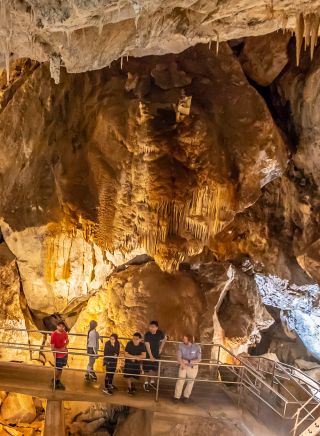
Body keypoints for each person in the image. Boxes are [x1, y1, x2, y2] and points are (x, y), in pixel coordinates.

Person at [173, 334, 201, 404]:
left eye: (185, 339)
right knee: (180, 380)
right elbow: (179, 357)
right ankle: (176, 396)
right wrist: (183, 365)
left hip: (193, 367)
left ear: (190, 340)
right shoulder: (181, 345)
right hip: (183, 365)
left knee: (190, 381)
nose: (183, 340)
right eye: (184, 338)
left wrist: (189, 362)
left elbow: (199, 359)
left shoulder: (197, 347)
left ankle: (186, 396)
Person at [143, 320, 167, 392]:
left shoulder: (160, 333)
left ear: (157, 328)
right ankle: (146, 383)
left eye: (153, 327)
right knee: (146, 369)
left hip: (156, 354)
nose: (151, 328)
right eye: (150, 327)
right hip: (148, 354)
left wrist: (161, 348)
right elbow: (147, 345)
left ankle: (152, 382)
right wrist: (150, 356)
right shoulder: (147, 334)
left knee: (154, 368)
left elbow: (165, 338)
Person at [50, 321, 69, 390]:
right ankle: (54, 380)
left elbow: (67, 340)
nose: (61, 328)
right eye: (60, 326)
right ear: (57, 326)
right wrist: (61, 349)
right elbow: (52, 348)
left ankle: (58, 380)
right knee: (57, 369)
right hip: (58, 355)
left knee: (61, 368)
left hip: (64, 354)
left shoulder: (64, 332)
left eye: (62, 326)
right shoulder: (54, 335)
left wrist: (65, 346)